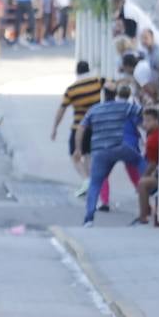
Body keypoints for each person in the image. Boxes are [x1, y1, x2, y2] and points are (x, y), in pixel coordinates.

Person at [76, 88, 142, 226]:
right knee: (139, 162)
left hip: (100, 150)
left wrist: (78, 149)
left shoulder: (94, 110)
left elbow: (81, 128)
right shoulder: (124, 107)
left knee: (95, 183)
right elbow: (141, 114)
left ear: (103, 95)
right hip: (120, 146)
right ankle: (155, 190)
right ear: (115, 95)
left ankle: (89, 218)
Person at [51, 60, 108, 198]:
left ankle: (86, 180)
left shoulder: (72, 89)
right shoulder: (97, 81)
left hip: (79, 126)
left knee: (74, 155)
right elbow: (112, 85)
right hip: (95, 126)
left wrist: (55, 128)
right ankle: (90, 183)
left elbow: (62, 109)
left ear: (77, 71)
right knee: (88, 155)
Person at [134, 108, 159, 226]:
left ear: (156, 121)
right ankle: (146, 211)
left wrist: (144, 175)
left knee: (142, 184)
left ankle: (143, 216)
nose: (145, 124)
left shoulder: (153, 139)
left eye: (149, 121)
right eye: (144, 121)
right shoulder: (153, 135)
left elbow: (153, 163)